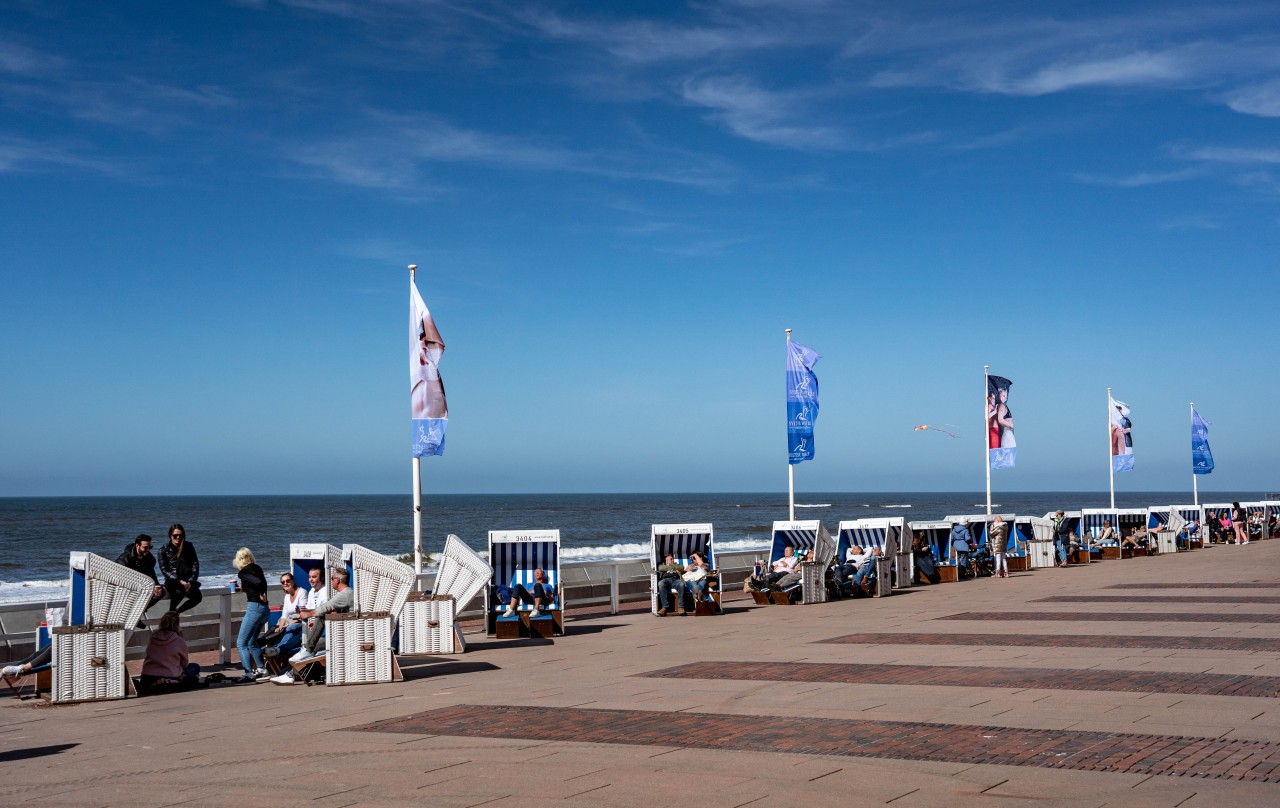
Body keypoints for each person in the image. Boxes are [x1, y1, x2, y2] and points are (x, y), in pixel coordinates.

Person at [273, 569, 353, 683]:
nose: (331, 581)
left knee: (312, 642)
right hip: (340, 632)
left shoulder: (344, 595)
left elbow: (325, 608)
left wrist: (309, 613)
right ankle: (295, 665)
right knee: (309, 644)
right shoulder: (346, 593)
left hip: (342, 636)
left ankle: (293, 670)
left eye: (332, 579)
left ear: (338, 581)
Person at [139, 611, 202, 695]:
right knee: (194, 667)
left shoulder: (153, 637)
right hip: (169, 676)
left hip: (147, 677)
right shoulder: (179, 640)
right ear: (177, 625)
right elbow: (185, 664)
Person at [232, 548, 270, 684]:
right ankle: (261, 669)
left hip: (254, 608)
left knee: (241, 642)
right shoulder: (257, 568)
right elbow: (261, 582)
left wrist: (259, 591)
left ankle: (248, 673)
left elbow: (258, 583)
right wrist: (261, 593)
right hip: (264, 609)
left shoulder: (243, 573)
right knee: (251, 642)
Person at [115, 533, 165, 626]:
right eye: (145, 547)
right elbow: (115, 573)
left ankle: (137, 615)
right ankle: (133, 617)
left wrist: (156, 586)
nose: (148, 550)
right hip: (126, 587)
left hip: (142, 586)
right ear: (137, 545)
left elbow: (151, 575)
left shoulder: (150, 559)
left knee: (161, 592)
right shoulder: (125, 558)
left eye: (150, 547)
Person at [262, 571, 307, 672]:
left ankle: (279, 649)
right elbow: (284, 615)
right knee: (276, 629)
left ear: (293, 581)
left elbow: (303, 613)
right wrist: (280, 626)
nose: (285, 583)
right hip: (288, 622)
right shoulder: (287, 597)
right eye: (283, 582)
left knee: (291, 627)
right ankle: (264, 646)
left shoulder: (302, 592)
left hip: (300, 623)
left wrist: (290, 623)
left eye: (288, 581)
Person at [159, 524, 202, 614]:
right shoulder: (163, 550)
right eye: (175, 536)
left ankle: (177, 612)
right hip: (173, 581)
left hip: (187, 581)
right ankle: (172, 611)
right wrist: (179, 580)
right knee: (179, 591)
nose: (178, 538)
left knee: (198, 597)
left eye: (181, 535)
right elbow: (164, 570)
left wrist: (190, 581)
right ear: (170, 536)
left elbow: (195, 565)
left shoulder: (189, 547)